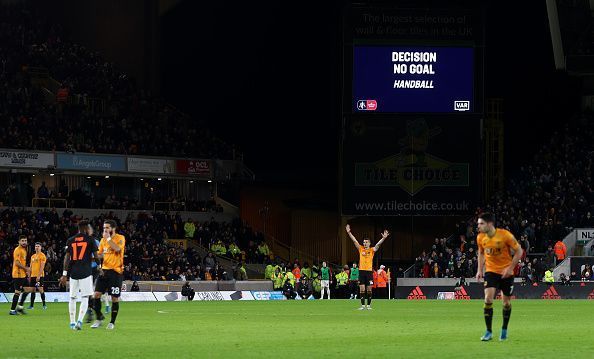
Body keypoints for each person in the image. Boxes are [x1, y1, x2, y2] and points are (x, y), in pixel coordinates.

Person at [475, 213, 523, 342]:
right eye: (478, 224)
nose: (478, 226)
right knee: (488, 299)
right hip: (491, 272)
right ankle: (489, 331)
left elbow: (519, 251)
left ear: (490, 224)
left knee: (506, 303)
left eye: (481, 223)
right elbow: (480, 253)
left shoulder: (505, 235)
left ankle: (504, 329)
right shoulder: (480, 238)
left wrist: (510, 268)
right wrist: (479, 270)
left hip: (506, 273)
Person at [59, 220, 101, 330]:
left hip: (73, 273)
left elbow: (67, 258)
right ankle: (79, 321)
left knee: (72, 298)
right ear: (86, 228)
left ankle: (72, 323)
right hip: (86, 273)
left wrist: (64, 274)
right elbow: (96, 256)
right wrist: (99, 266)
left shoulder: (71, 240)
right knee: (84, 297)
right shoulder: (90, 240)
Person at [91, 219, 125, 330]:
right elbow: (100, 255)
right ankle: (98, 319)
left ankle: (112, 322)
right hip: (104, 271)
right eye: (104, 228)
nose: (104, 230)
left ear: (113, 228)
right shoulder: (102, 240)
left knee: (114, 298)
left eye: (107, 228)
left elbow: (117, 249)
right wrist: (91, 257)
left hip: (116, 272)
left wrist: (108, 238)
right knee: (96, 295)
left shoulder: (120, 238)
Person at [346, 224, 390, 310]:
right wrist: (349, 232)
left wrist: (384, 238)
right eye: (364, 242)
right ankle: (362, 306)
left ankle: (369, 306)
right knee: (362, 290)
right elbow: (354, 241)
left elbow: (378, 244)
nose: (365, 243)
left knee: (369, 290)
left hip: (369, 272)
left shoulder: (372, 250)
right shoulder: (360, 248)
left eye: (366, 242)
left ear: (369, 243)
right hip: (361, 271)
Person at [9, 235, 34, 315]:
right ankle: (12, 310)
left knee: (28, 289)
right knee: (17, 292)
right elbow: (17, 263)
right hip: (18, 274)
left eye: (25, 241)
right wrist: (26, 268)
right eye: (22, 241)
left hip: (22, 274)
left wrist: (26, 271)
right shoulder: (17, 250)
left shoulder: (24, 250)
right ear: (19, 242)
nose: (24, 242)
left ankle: (19, 308)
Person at [19, 242, 47, 310]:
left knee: (41, 290)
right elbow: (31, 267)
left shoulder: (42, 256)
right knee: (33, 290)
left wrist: (39, 276)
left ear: (41, 247)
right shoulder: (32, 256)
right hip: (32, 276)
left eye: (38, 246)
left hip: (39, 276)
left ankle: (44, 305)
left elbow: (42, 267)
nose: (37, 247)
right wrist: (29, 275)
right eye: (36, 246)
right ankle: (31, 306)